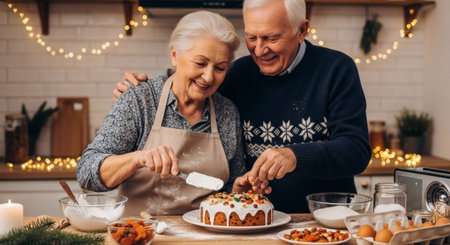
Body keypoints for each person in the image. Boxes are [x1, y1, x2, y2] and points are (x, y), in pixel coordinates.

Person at [114, 0, 371, 213]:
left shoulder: (336, 70)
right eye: (251, 37)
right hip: (255, 222)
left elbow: (356, 151)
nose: (259, 50)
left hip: (326, 219)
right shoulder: (235, 75)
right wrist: (139, 91)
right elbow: (192, 80)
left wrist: (294, 156)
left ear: (302, 30)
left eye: (271, 37)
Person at [77, 11, 269, 216]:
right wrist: (138, 158)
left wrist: (238, 192)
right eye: (200, 63)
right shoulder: (140, 100)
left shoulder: (227, 113)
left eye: (220, 68)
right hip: (140, 233)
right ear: (175, 55)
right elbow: (86, 174)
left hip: (205, 237)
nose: (208, 76)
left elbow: (228, 188)